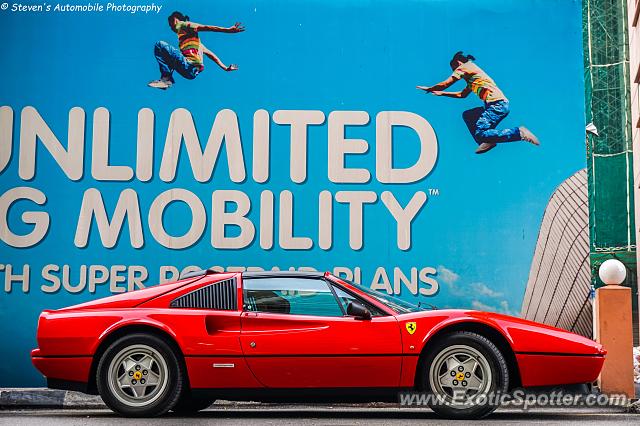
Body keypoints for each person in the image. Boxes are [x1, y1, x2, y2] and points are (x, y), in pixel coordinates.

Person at [417, 51, 540, 154]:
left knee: (480, 132)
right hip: (494, 105)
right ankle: (486, 141)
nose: (455, 72)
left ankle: (518, 133)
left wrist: (431, 88)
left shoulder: (465, 67)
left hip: (497, 104)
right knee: (468, 115)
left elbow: (446, 83)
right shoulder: (473, 78)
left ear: (458, 64)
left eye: (454, 69)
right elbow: (462, 94)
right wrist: (442, 94)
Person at [148, 11, 245, 90]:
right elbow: (212, 56)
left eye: (172, 24)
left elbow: (206, 27)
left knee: (159, 45)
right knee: (169, 56)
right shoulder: (197, 44)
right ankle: (167, 80)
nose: (172, 27)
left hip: (190, 66)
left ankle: (166, 79)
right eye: (170, 26)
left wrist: (228, 30)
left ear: (176, 20)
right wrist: (225, 68)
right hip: (190, 73)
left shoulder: (184, 25)